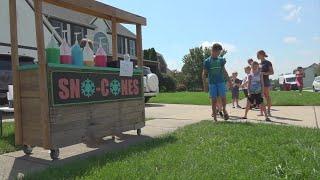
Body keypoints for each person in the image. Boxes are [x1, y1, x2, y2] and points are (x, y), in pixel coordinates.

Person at [203, 43, 231, 121]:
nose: (218, 54)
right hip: (212, 83)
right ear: (212, 50)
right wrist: (205, 85)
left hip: (221, 82)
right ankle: (215, 119)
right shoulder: (207, 61)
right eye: (217, 52)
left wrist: (229, 81)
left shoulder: (221, 60)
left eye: (219, 53)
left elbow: (224, 71)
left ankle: (224, 110)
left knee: (223, 97)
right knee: (213, 100)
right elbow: (203, 74)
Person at [257, 50, 274, 116]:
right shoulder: (258, 64)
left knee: (267, 96)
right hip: (259, 82)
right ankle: (261, 112)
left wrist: (264, 73)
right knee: (260, 97)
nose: (257, 56)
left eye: (258, 55)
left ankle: (269, 111)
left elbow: (272, 72)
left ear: (262, 55)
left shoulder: (268, 63)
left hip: (265, 81)